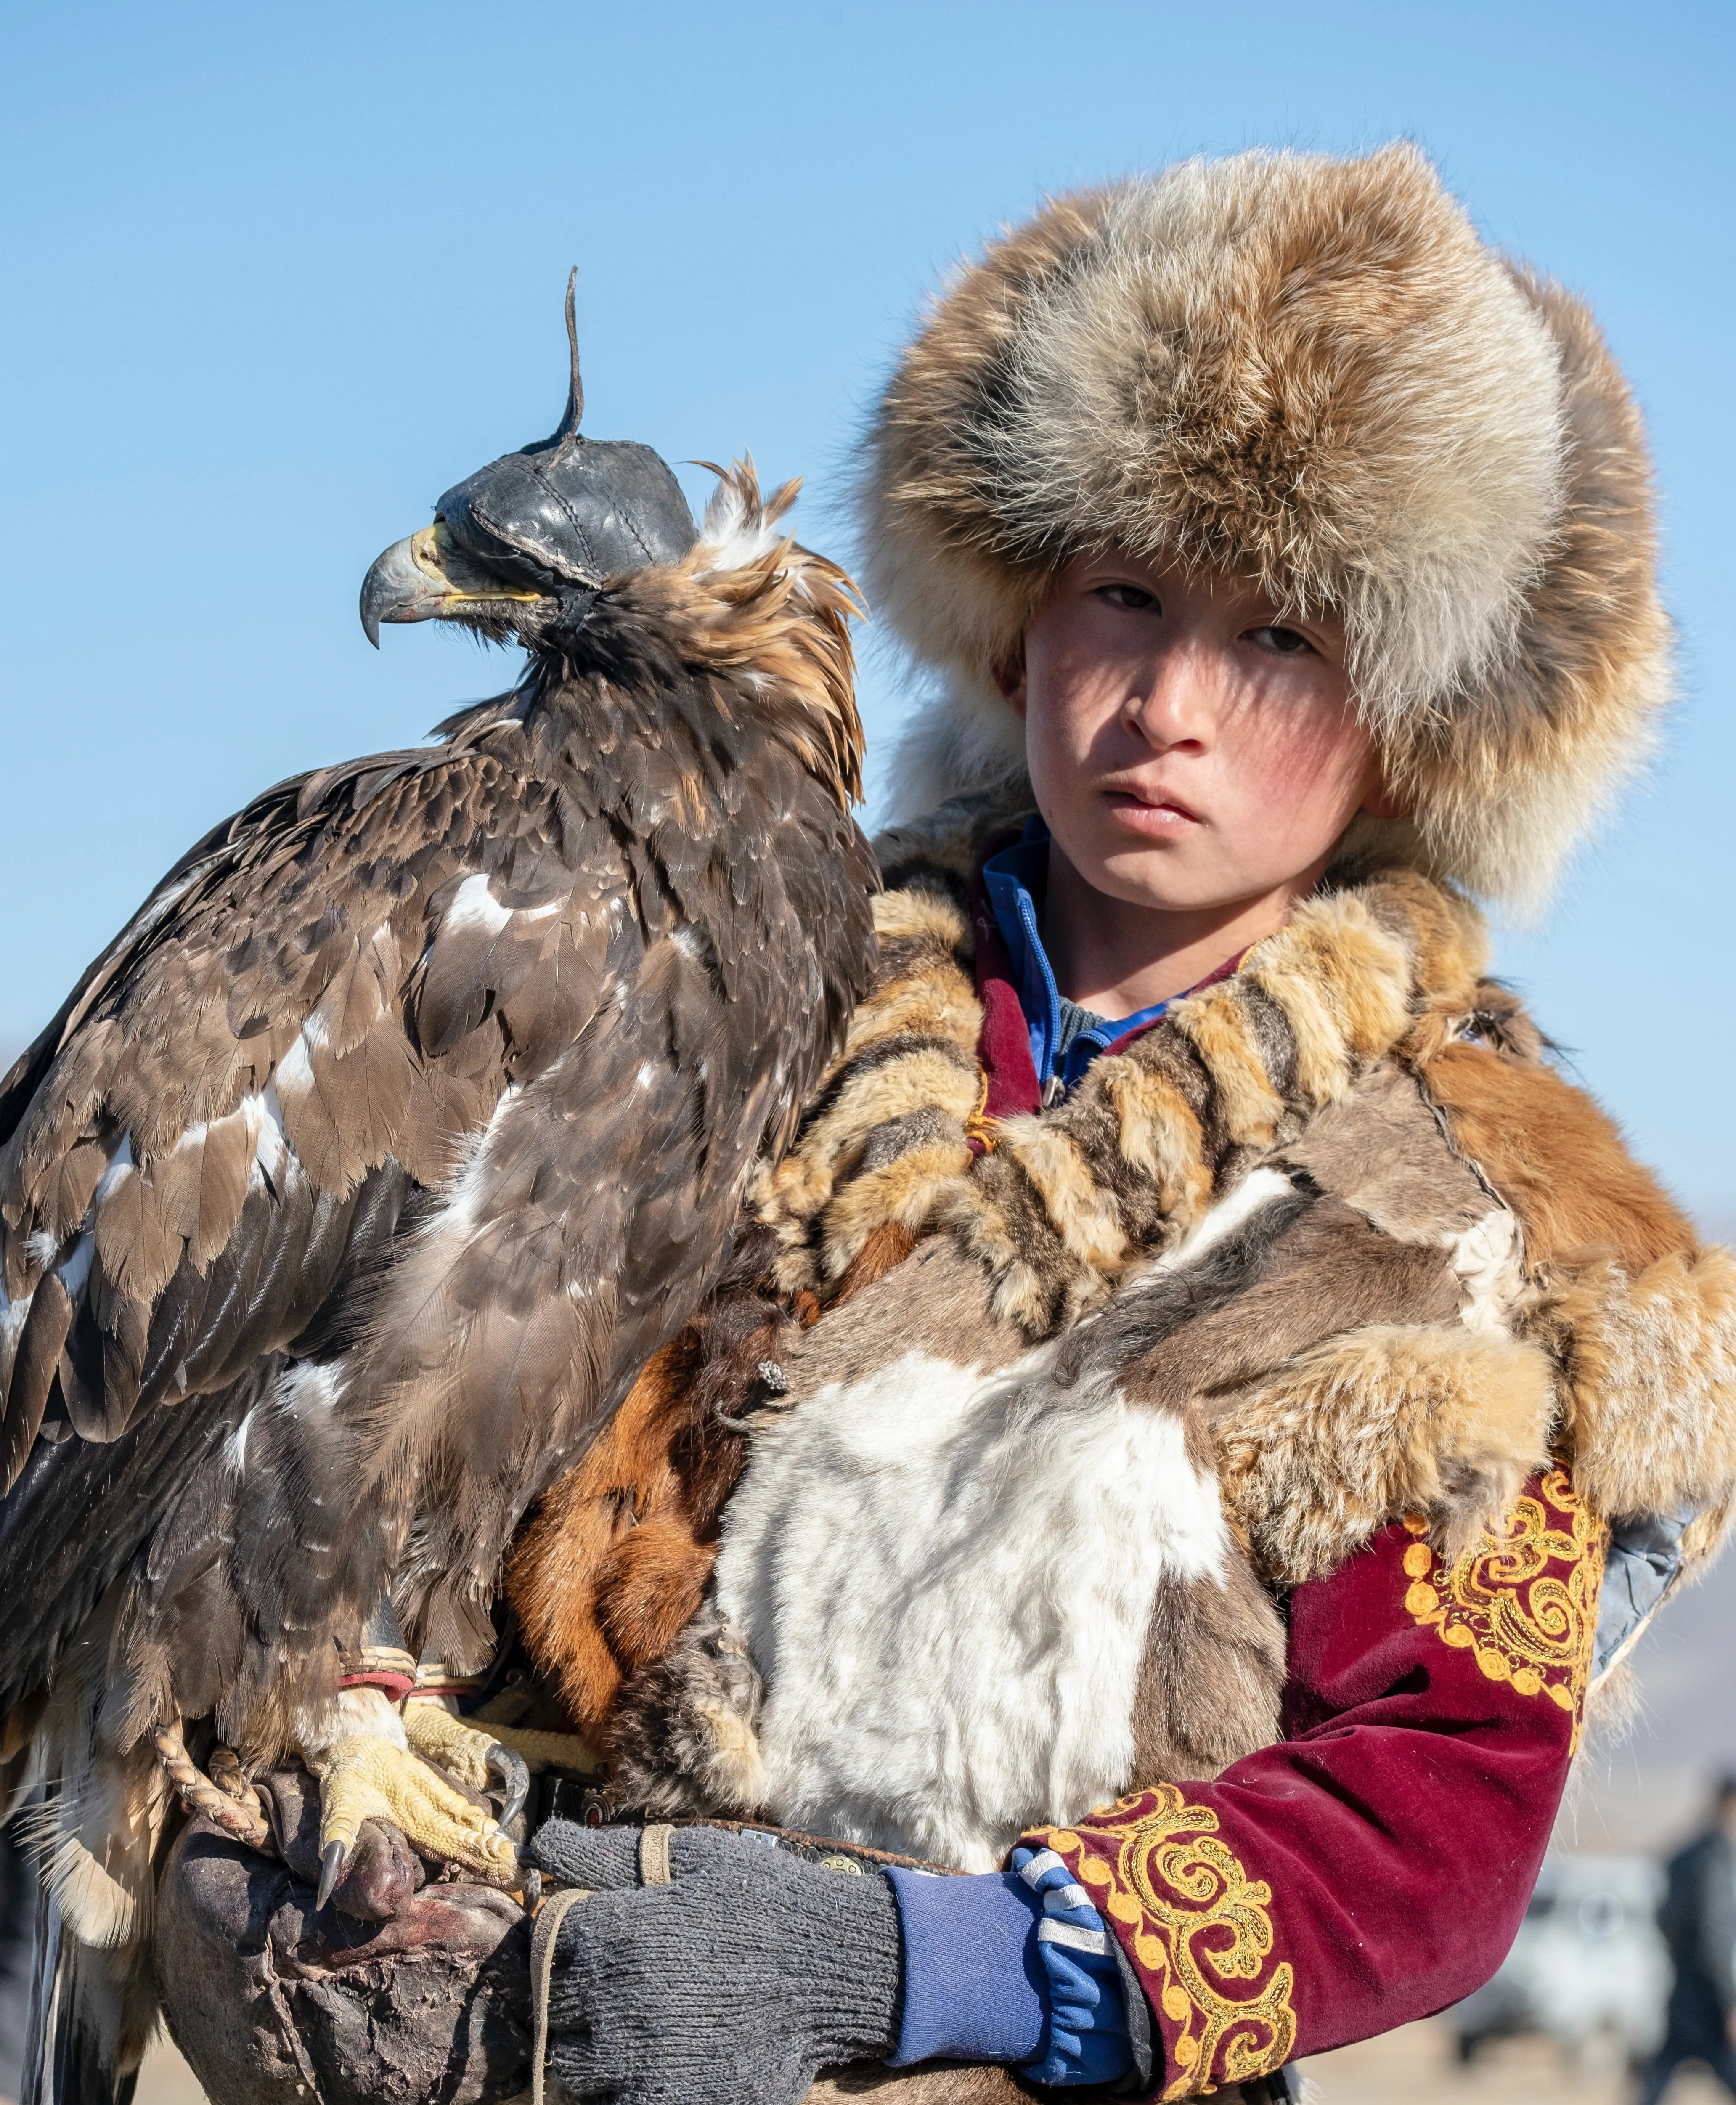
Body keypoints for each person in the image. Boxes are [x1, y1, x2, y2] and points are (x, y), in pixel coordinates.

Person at [151, 142, 1736, 2105]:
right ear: (1008, 629)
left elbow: (1433, 1823)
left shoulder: (1467, 1218)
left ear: (1406, 723)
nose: (1168, 702)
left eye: (1279, 640)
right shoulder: (731, 1005)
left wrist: (912, 1961)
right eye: (1123, 597)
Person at [1644, 1780, 1736, 2102]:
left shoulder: (1685, 1854)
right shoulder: (1718, 1857)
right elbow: (1718, 1932)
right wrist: (1729, 2003)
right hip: (1707, 1994)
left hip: (1683, 1986)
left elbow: (1663, 1918)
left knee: (1662, 2073)